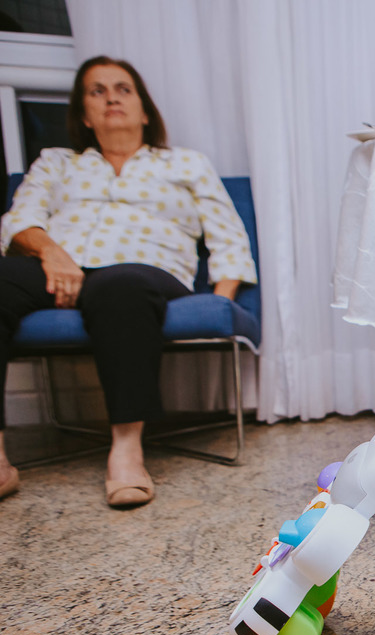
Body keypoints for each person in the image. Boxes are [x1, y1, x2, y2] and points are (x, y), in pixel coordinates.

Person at [0, 55, 257, 508]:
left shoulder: (186, 164)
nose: (111, 97)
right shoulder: (55, 162)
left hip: (144, 272)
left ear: (143, 110)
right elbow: (18, 221)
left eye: (123, 88)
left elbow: (229, 239)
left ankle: (126, 450)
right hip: (56, 267)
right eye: (96, 91)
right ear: (84, 114)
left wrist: (218, 308)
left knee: (121, 286)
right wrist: (51, 252)